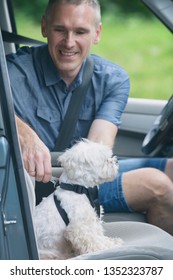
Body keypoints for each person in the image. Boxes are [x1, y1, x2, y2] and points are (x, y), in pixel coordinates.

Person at [6, 0, 173, 235]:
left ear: (97, 33)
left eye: (80, 31)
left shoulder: (112, 79)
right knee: (157, 184)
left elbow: (98, 150)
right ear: (44, 27)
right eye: (59, 30)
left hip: (83, 175)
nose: (69, 42)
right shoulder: (15, 74)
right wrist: (21, 132)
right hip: (44, 183)